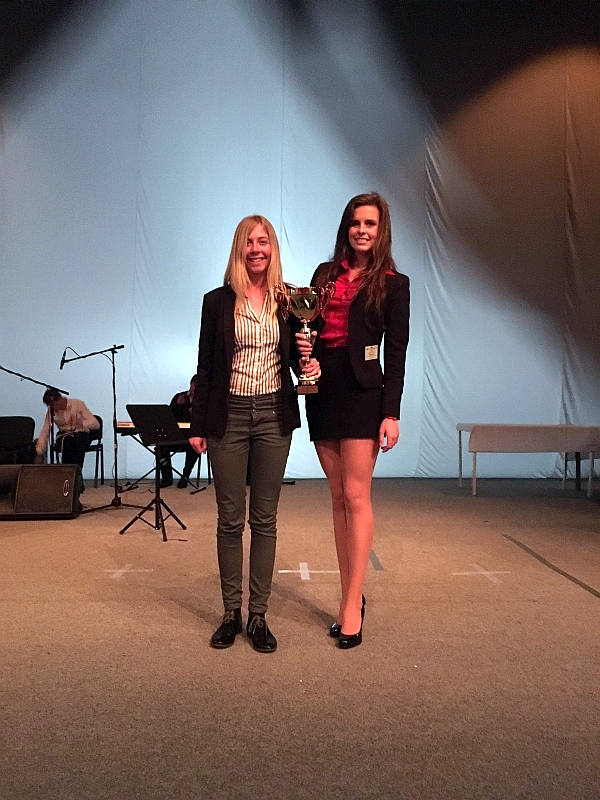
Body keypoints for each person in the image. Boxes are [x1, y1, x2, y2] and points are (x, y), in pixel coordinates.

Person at [189, 215, 319, 653]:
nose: (256, 249)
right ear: (239, 248)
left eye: (263, 242)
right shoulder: (217, 301)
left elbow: (297, 361)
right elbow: (206, 366)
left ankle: (258, 615)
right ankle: (231, 612)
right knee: (230, 520)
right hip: (229, 417)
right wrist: (198, 425)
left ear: (272, 248)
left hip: (272, 417)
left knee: (264, 520)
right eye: (249, 242)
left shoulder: (289, 301)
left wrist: (308, 359)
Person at [296, 192, 410, 649]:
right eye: (356, 222)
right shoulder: (324, 275)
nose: (362, 230)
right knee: (337, 497)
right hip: (323, 387)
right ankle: (351, 595)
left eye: (371, 224)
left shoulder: (395, 284)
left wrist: (391, 413)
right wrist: (304, 352)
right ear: (347, 227)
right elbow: (308, 328)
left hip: (365, 392)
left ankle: (350, 608)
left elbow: (396, 354)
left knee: (357, 495)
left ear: (381, 231)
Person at [35, 389, 100, 471]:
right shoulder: (51, 411)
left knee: (78, 441)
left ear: (60, 398)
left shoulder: (78, 404)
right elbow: (45, 431)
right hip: (65, 435)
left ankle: (74, 471)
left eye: (54, 405)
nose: (54, 408)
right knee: (68, 442)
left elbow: (96, 424)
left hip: (81, 434)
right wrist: (39, 452)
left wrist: (82, 424)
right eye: (50, 406)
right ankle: (70, 472)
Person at [158, 376, 200, 488]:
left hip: (192, 436)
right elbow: (169, 417)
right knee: (161, 447)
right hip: (177, 435)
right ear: (191, 384)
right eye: (194, 386)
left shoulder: (202, 401)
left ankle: (185, 477)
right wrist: (177, 405)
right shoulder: (179, 396)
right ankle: (167, 478)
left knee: (194, 447)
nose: (195, 389)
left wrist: (194, 412)